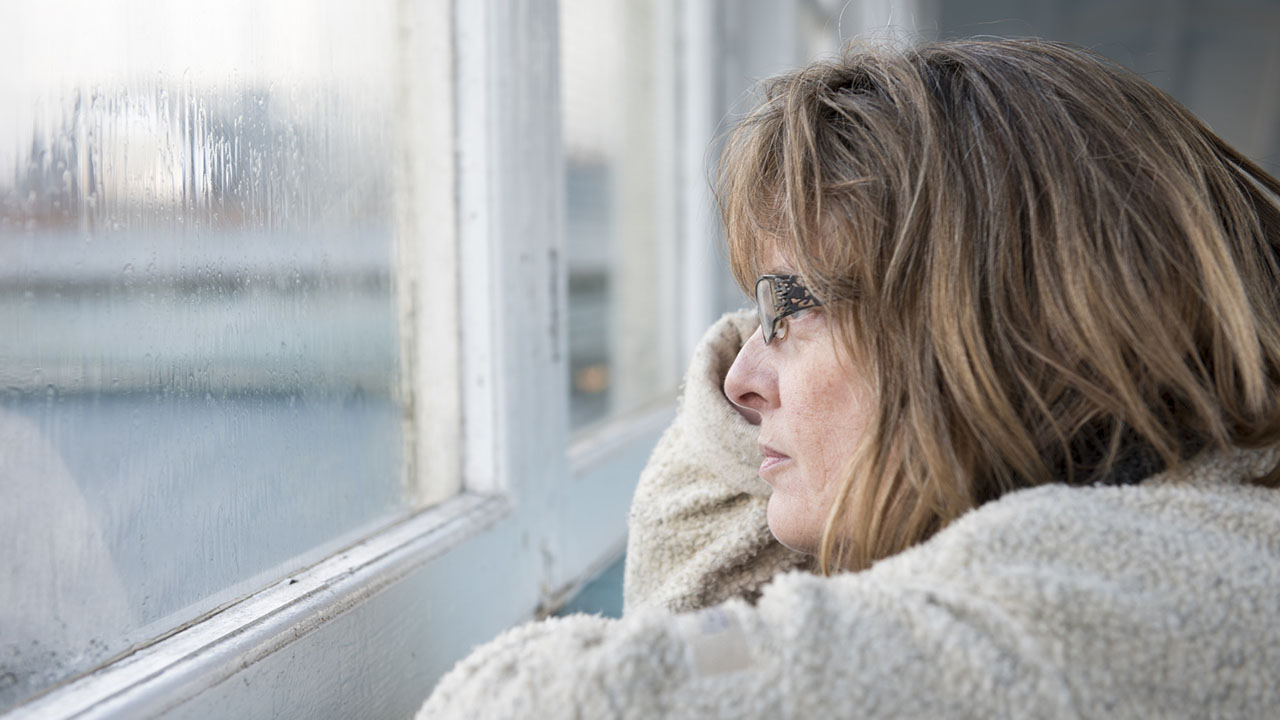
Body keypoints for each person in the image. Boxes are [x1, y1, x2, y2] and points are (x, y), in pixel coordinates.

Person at [419, 37, 1280, 718]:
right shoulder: (1185, 535)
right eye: (755, 317)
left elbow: (531, 704)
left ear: (996, 332)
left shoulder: (1091, 611)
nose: (738, 383)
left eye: (790, 309)